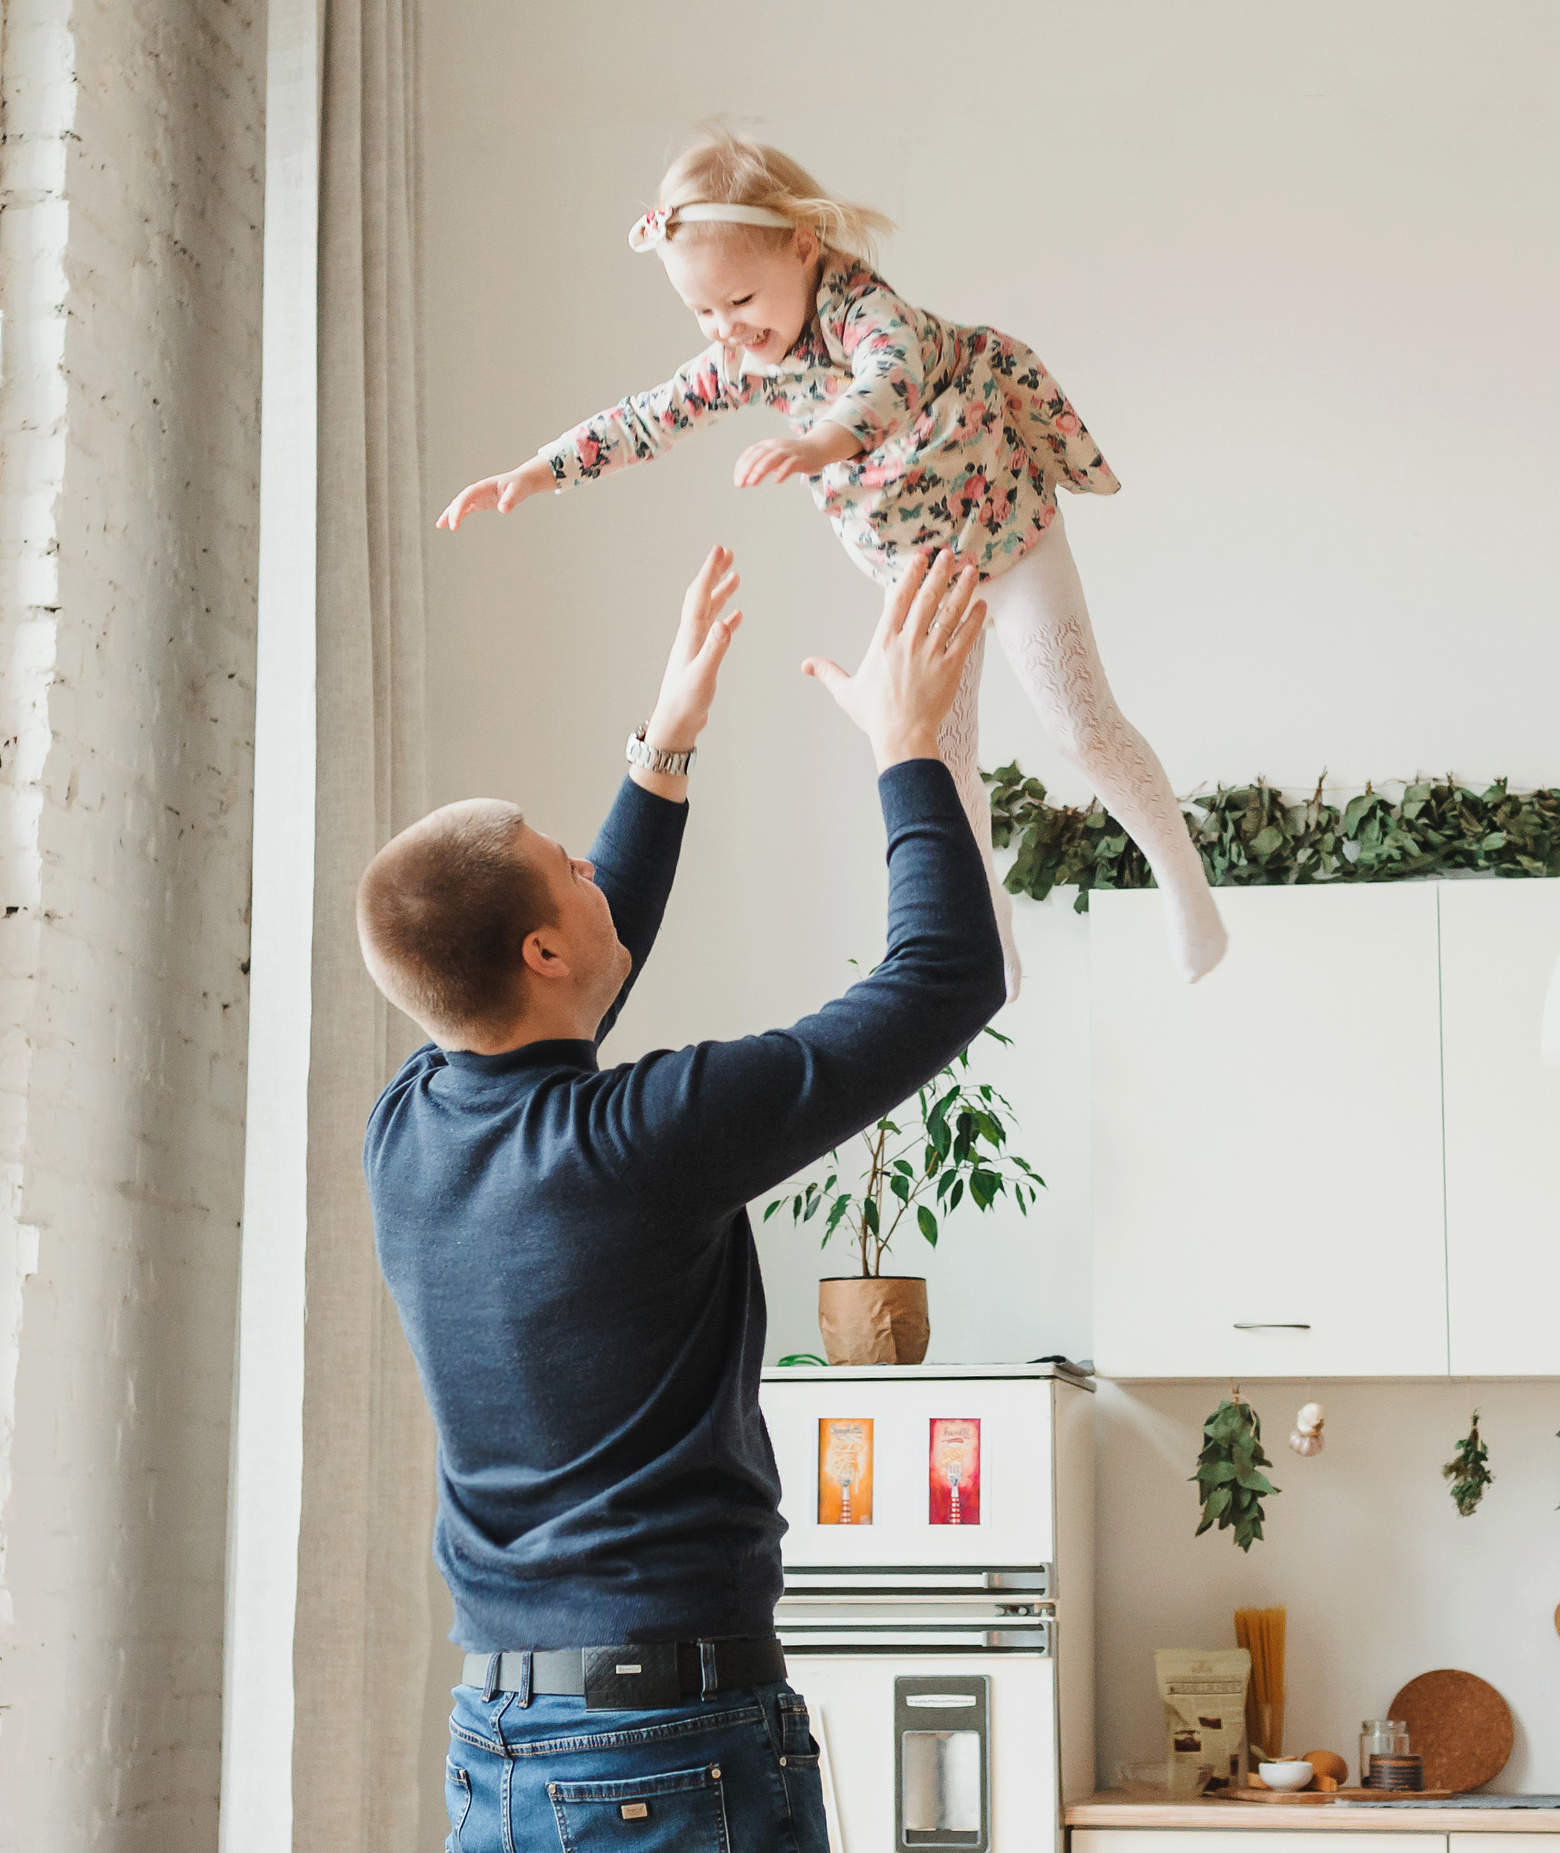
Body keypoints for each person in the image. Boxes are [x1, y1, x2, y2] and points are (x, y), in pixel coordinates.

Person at [356, 546, 1002, 1853]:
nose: (597, 876)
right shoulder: (643, 1142)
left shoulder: (408, 1130)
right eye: (570, 870)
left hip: (500, 1745)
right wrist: (909, 743)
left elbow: (569, 977)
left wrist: (663, 751)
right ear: (540, 946)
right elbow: (945, 977)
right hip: (663, 1755)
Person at [433, 126, 1227, 999]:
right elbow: (646, 418)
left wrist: (821, 441)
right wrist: (537, 471)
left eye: (739, 299)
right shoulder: (742, 359)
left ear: (802, 247)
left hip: (1009, 531)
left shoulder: (863, 309)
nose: (729, 330)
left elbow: (889, 376)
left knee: (1078, 723)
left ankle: (1184, 881)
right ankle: (991, 933)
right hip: (921, 573)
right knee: (939, 759)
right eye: (703, 313)